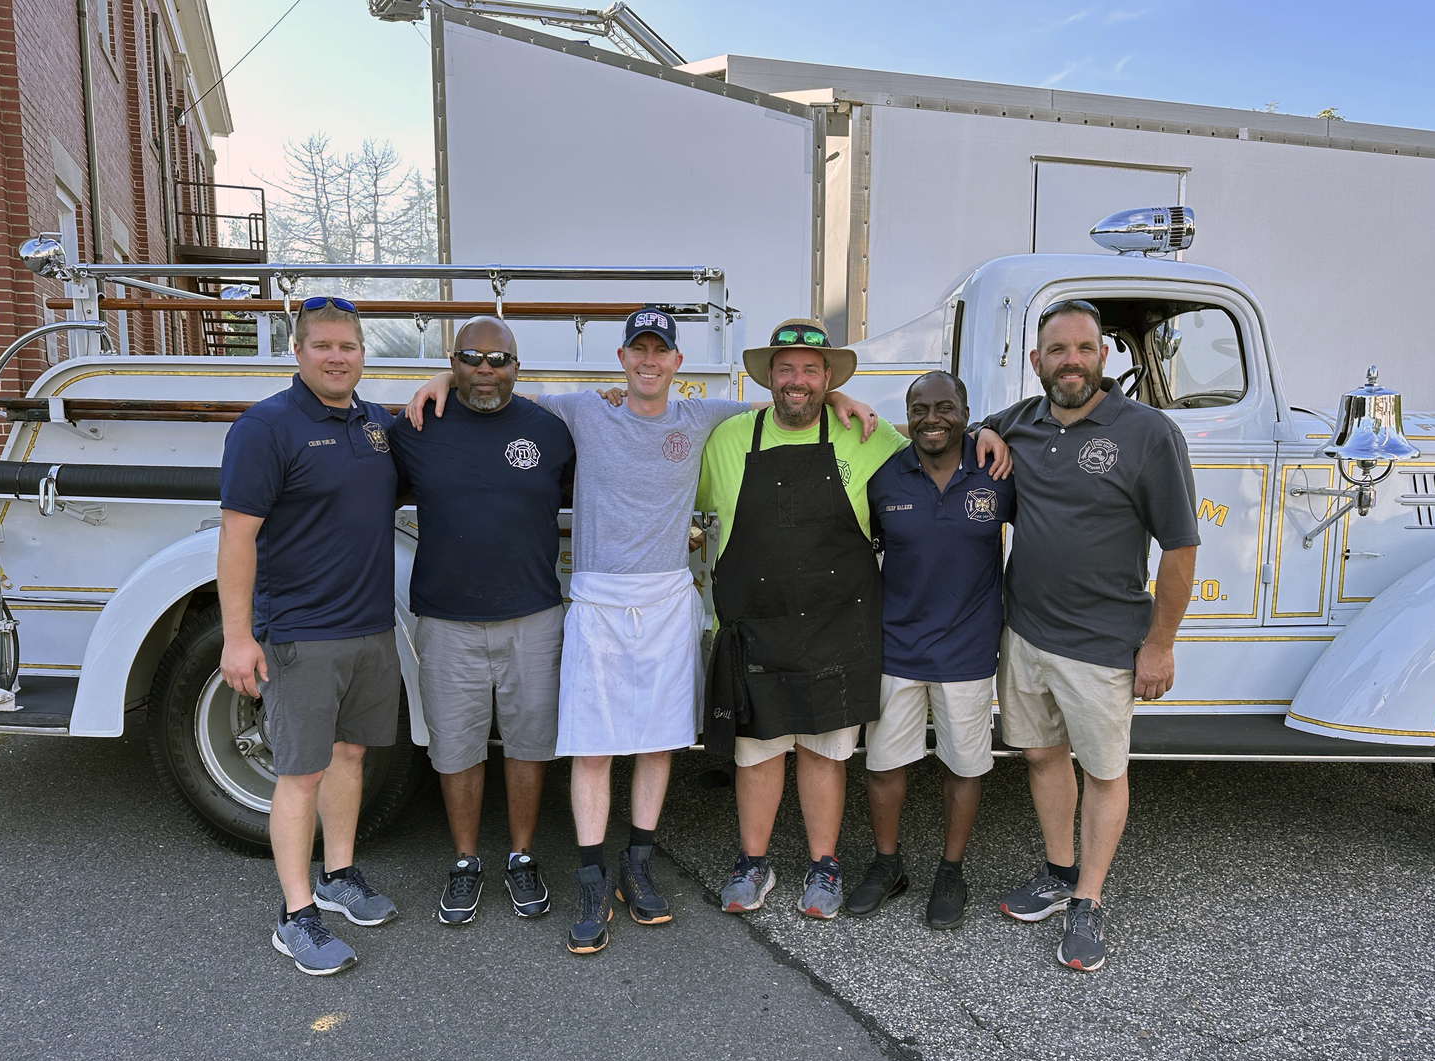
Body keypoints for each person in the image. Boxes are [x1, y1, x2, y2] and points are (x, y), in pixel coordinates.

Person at [406, 308, 879, 954]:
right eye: (639, 351)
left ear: (677, 363)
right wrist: (442, 375)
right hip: (598, 600)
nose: (649, 362)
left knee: (658, 744)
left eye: (661, 352)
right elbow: (496, 385)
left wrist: (840, 392)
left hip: (665, 601)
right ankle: (594, 875)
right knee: (593, 748)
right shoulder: (584, 411)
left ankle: (639, 861)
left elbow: (788, 401)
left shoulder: (703, 416)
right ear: (622, 359)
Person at [974, 299, 1199, 971]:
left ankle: (1089, 902)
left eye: (1083, 347)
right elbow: (967, 425)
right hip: (1027, 634)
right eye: (1057, 349)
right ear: (1037, 360)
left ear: (1104, 356)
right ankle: (1058, 873)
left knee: (1104, 770)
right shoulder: (1024, 420)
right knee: (1042, 756)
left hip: (1103, 643)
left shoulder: (1148, 433)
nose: (1070, 360)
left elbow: (1181, 549)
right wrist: (983, 434)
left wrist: (1158, 644)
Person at [700, 317, 907, 922]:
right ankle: (752, 862)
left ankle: (824, 865)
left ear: (827, 379)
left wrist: (993, 438)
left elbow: (935, 455)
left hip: (836, 626)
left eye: (810, 370)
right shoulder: (730, 438)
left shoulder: (867, 435)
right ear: (768, 377)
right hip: (754, 626)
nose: (797, 380)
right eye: (785, 369)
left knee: (824, 753)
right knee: (757, 753)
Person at [218, 296, 401, 976]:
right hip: (300, 633)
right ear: (298, 352)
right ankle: (295, 915)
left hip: (369, 628)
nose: (335, 356)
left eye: (347, 346)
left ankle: (339, 874)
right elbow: (238, 537)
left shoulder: (375, 423)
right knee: (301, 773)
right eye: (321, 345)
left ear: (361, 353)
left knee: (349, 755)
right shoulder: (266, 427)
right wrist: (239, 637)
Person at [389, 316, 575, 925]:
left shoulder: (551, 432)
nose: (485, 371)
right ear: (453, 362)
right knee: (455, 747)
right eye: (470, 359)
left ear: (518, 366)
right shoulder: (418, 427)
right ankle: (466, 860)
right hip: (446, 620)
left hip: (533, 615)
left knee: (528, 744)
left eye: (499, 360)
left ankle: (522, 856)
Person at [845, 370, 1015, 930]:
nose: (932, 418)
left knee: (963, 766)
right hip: (896, 648)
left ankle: (950, 871)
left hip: (967, 652)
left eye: (945, 407)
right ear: (908, 414)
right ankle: (888, 864)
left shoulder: (996, 473)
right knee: (884, 765)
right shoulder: (885, 479)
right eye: (919, 409)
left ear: (967, 410)